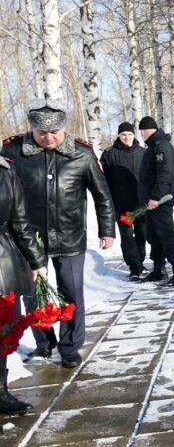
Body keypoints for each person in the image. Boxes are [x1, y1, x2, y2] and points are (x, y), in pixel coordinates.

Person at [1, 101, 115, 368]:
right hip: (29, 240)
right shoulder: (13, 151)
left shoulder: (82, 154)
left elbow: (102, 195)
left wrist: (107, 229)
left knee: (71, 293)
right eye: (42, 132)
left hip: (70, 238)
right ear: (32, 129)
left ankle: (70, 347)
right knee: (32, 295)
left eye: (54, 132)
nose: (48, 137)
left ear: (64, 129)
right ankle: (44, 342)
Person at [0, 156, 47, 414]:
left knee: (3, 331)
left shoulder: (6, 172)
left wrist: (37, 261)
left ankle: (1, 392)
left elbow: (20, 223)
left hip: (3, 264)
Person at [137, 116, 174, 287]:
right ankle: (159, 269)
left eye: (142, 130)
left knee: (167, 235)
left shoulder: (161, 147)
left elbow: (165, 174)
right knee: (154, 235)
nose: (141, 133)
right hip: (151, 202)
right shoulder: (152, 146)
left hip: (161, 201)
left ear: (148, 130)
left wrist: (156, 197)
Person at [100, 122, 147, 280]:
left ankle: (140, 261)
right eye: (123, 135)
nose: (127, 137)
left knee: (142, 234)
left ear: (134, 135)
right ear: (118, 136)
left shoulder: (143, 153)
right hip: (121, 204)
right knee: (127, 236)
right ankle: (134, 267)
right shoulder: (109, 154)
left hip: (141, 205)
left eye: (130, 134)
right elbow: (103, 182)